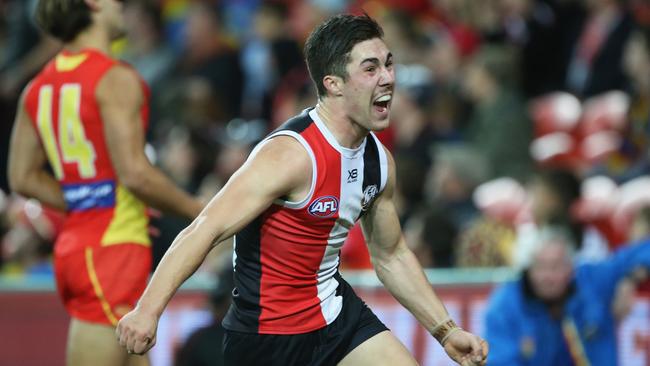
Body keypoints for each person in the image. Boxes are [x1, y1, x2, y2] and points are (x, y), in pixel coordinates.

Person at [116, 14, 488, 366]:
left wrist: (445, 330)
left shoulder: (379, 161)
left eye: (389, 64)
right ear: (333, 83)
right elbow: (205, 229)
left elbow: (391, 256)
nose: (388, 78)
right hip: (266, 336)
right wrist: (148, 310)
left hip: (336, 315)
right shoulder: (290, 156)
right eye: (371, 69)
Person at [7, 0, 203, 365]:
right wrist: (203, 214)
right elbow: (135, 174)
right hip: (112, 249)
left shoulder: (38, 87)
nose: (123, 8)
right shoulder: (114, 77)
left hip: (82, 245)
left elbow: (22, 176)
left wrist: (85, 201)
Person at [484, 230, 650, 365]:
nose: (547, 277)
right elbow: (500, 360)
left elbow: (644, 249)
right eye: (540, 267)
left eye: (555, 267)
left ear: (571, 268)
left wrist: (630, 279)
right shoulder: (507, 303)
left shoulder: (592, 281)